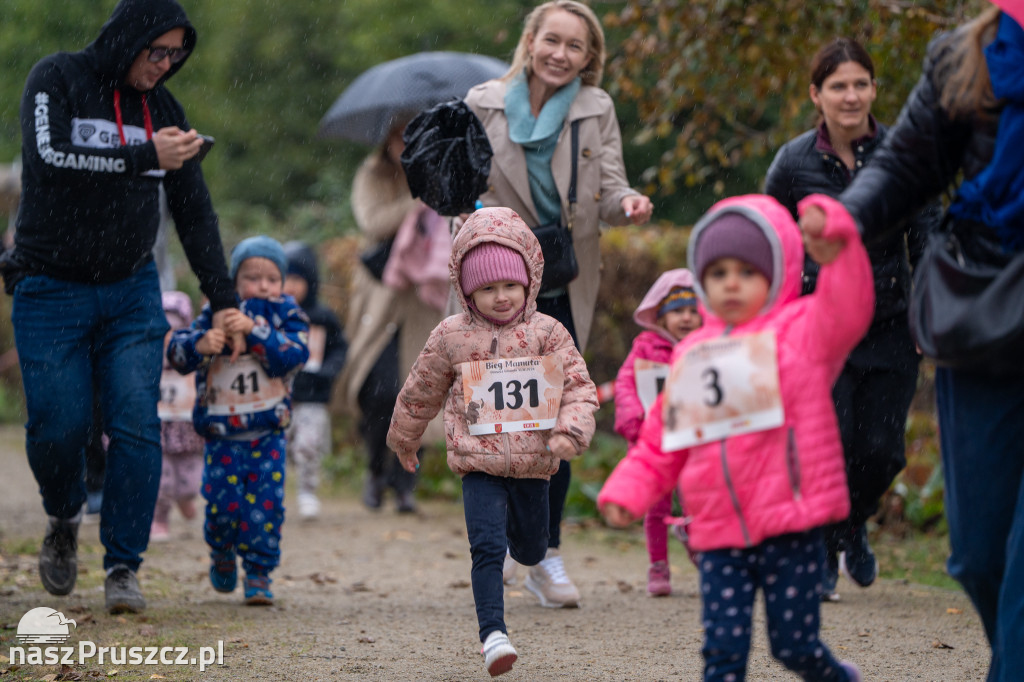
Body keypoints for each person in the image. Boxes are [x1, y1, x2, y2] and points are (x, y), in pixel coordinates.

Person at [801, 7, 1023, 679]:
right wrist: (850, 213)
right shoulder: (967, 54)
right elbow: (906, 166)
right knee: (980, 557)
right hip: (985, 316)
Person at [0, 0, 239, 614]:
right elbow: (49, 160)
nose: (165, 64)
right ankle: (62, 515)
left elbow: (194, 211)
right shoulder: (56, 79)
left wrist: (225, 298)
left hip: (132, 292)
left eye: (176, 55)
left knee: (137, 422)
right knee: (60, 425)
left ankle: (123, 564)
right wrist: (143, 157)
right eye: (156, 50)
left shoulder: (164, 111)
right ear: (127, 38)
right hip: (49, 287)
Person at [599, 193, 873, 682]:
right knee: (722, 654)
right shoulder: (694, 354)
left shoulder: (801, 334)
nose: (731, 282)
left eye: (746, 271)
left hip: (790, 526)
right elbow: (664, 438)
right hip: (719, 533)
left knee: (794, 647)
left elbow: (847, 307)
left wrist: (839, 244)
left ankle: (837, 677)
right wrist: (629, 491)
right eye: (718, 271)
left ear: (776, 272)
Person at [465, 0, 654, 607]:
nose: (560, 54)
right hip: (494, 279)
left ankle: (546, 554)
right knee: (492, 423)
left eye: (575, 47)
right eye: (552, 40)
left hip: (564, 278)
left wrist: (628, 205)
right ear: (531, 40)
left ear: (589, 58)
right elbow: (453, 187)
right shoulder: (481, 102)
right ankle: (495, 552)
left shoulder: (597, 109)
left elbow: (610, 187)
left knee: (557, 415)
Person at [386, 207, 599, 677]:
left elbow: (581, 389)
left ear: (529, 281)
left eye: (509, 285)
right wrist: (405, 438)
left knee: (530, 549)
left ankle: (524, 553)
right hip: (478, 463)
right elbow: (420, 389)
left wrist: (569, 431)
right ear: (466, 289)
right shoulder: (451, 336)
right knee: (484, 548)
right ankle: (493, 636)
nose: (500, 297)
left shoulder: (548, 333)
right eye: (487, 288)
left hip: (534, 464)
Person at [764, 37, 940, 599]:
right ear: (817, 95)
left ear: (873, 89)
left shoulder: (904, 154)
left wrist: (927, 315)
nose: (850, 95)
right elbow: (769, 241)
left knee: (881, 452)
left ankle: (848, 524)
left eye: (860, 83)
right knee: (829, 443)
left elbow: (928, 236)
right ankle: (821, 551)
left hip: (890, 322)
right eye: (837, 85)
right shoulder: (793, 162)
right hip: (817, 328)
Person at [167, 236, 309, 606]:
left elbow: (294, 355)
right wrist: (201, 344)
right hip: (222, 435)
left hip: (268, 434)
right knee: (222, 504)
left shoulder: (287, 313)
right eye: (251, 277)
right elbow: (176, 352)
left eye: (272, 278)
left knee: (265, 506)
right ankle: (221, 551)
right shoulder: (215, 310)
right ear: (233, 280)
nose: (263, 285)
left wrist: (254, 331)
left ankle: (259, 573)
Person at [338, 122, 449, 514]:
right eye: (399, 134)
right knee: (378, 387)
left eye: (414, 133)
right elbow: (373, 222)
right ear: (386, 138)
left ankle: (405, 485)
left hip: (423, 294)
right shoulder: (372, 174)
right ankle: (374, 469)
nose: (406, 142)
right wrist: (417, 198)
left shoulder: (443, 168)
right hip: (382, 291)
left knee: (417, 391)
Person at [613, 268, 702, 596]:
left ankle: (701, 551)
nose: (687, 318)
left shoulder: (709, 347)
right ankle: (658, 565)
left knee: (699, 501)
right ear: (660, 316)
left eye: (694, 311)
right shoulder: (646, 347)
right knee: (657, 506)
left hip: (697, 444)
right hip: (657, 444)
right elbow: (625, 382)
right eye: (678, 311)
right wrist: (634, 420)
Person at [283, 241, 348, 520]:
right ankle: (268, 494)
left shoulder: (322, 317)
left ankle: (307, 491)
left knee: (308, 445)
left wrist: (328, 371)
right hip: (276, 396)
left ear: (310, 280)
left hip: (312, 397)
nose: (290, 285)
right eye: (284, 278)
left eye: (297, 278)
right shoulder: (271, 316)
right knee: (273, 449)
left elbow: (339, 348)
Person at [151, 291, 205, 542]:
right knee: (162, 480)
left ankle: (185, 499)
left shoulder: (194, 358)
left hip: (188, 431)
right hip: (159, 430)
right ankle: (159, 517)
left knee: (191, 480)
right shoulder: (146, 360)